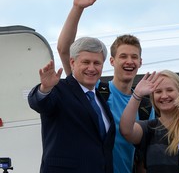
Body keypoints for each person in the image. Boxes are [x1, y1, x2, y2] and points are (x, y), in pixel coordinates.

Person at [57, 0, 154, 173]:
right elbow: (65, 50)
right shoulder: (93, 91)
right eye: (123, 56)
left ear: (140, 62)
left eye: (134, 57)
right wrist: (77, 8)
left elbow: (144, 153)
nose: (129, 61)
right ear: (111, 61)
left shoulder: (145, 105)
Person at [28, 37, 115, 173]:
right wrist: (44, 89)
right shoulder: (58, 89)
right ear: (73, 63)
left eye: (97, 63)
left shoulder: (100, 98)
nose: (91, 68)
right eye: (86, 62)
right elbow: (39, 103)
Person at [120, 70, 179, 173]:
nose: (164, 96)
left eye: (169, 90)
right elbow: (126, 130)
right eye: (158, 91)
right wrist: (137, 95)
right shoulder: (149, 128)